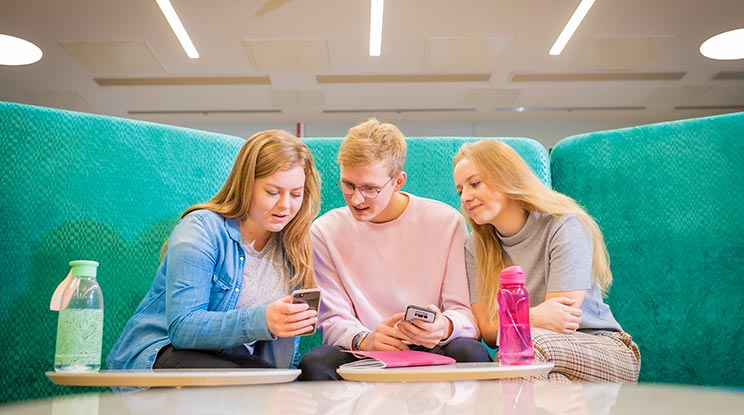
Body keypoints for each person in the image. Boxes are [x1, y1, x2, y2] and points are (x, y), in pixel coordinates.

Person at [108, 130, 321, 370]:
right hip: (165, 352)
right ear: (245, 186)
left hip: (240, 364)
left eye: (296, 194)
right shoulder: (200, 229)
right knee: (249, 381)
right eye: (272, 192)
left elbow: (279, 351)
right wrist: (262, 320)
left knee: (278, 382)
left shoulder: (292, 244)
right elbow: (183, 328)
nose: (285, 205)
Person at [298, 119, 490, 381]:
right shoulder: (324, 232)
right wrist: (368, 339)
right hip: (365, 349)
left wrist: (442, 326)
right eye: (348, 185)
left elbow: (464, 315)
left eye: (370, 188)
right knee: (316, 362)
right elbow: (332, 321)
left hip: (432, 346)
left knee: (471, 353)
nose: (356, 199)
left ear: (398, 181)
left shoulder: (446, 222)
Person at [452, 139, 641, 383]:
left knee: (522, 352)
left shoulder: (563, 225)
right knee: (547, 381)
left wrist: (514, 321)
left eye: (474, 183)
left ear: (506, 177)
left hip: (604, 350)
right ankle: (563, 413)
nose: (465, 198)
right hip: (538, 360)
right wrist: (534, 316)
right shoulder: (475, 246)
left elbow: (561, 319)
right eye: (460, 190)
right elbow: (488, 330)